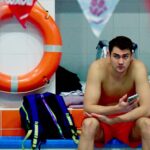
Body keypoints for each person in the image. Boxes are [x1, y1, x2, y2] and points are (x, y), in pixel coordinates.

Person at [78, 36, 150, 150]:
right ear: (108, 55)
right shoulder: (97, 68)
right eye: (116, 56)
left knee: (147, 125)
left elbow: (146, 109)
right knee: (88, 125)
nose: (121, 62)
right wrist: (116, 109)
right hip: (102, 121)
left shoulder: (138, 67)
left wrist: (115, 120)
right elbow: (88, 107)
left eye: (125, 56)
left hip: (130, 121)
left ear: (131, 56)